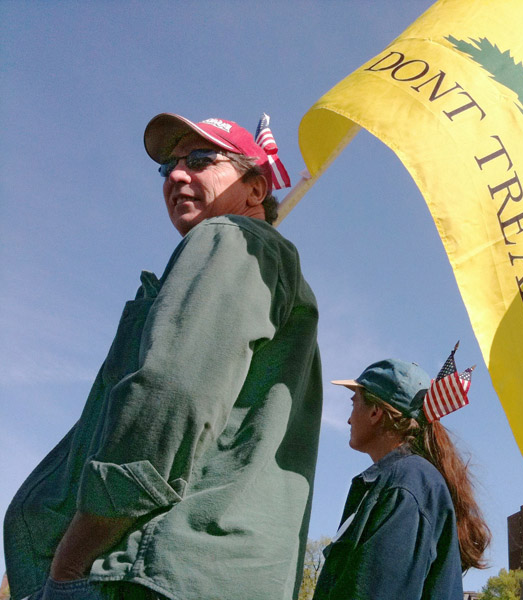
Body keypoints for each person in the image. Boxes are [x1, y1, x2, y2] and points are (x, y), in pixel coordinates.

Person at [3, 113, 322, 600]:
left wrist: (70, 563)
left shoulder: (228, 238)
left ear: (256, 189)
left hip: (147, 570)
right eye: (168, 167)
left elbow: (170, 396)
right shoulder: (267, 267)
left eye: (201, 160)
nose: (176, 176)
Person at [312, 354, 491, 600]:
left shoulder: (406, 484)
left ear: (375, 412)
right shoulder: (407, 480)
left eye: (354, 403)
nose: (349, 418)